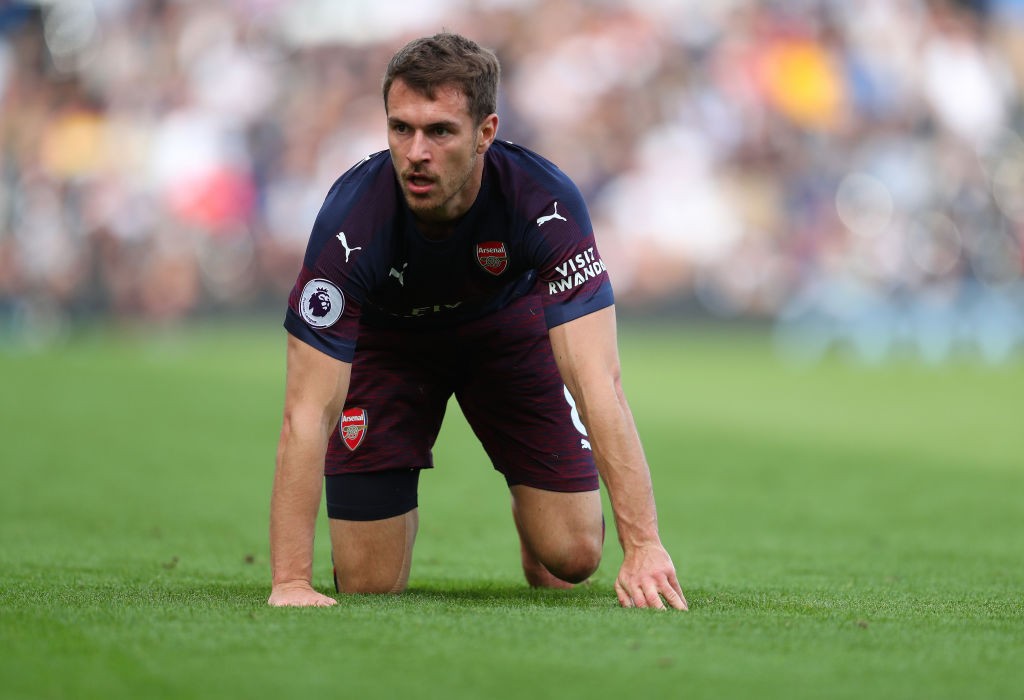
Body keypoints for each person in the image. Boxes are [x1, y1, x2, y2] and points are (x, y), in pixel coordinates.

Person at [268, 32, 687, 611]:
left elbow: (599, 384)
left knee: (573, 557)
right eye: (400, 128)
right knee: (368, 583)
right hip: (388, 345)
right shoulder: (350, 221)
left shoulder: (544, 201)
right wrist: (291, 581)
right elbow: (306, 413)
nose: (416, 152)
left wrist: (643, 546)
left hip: (506, 336)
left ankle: (534, 512)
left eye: (440, 131)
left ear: (485, 132)